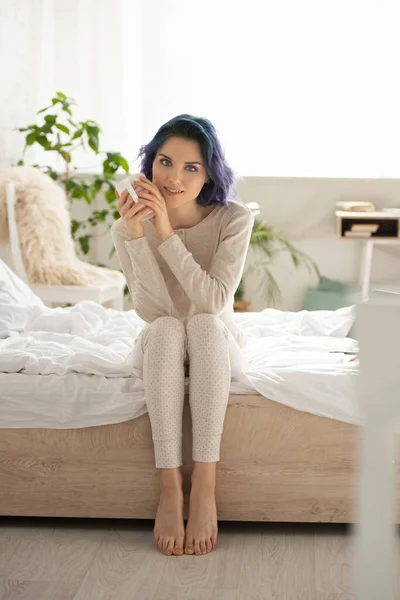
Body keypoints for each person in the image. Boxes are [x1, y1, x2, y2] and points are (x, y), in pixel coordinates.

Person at [111, 114, 254, 557]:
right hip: (161, 341)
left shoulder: (234, 219)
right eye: (165, 162)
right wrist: (139, 234)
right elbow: (154, 313)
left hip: (216, 342)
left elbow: (212, 301)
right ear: (149, 164)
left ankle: (204, 486)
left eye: (191, 167)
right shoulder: (126, 226)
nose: (173, 177)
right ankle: (170, 485)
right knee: (171, 327)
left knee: (205, 323)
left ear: (209, 173)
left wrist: (167, 233)